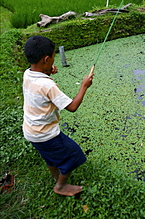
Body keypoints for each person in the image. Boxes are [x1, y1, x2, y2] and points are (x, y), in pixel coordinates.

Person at [22, 35, 94, 196]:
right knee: (74, 155)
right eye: (52, 59)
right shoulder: (48, 85)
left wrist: (47, 71)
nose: (53, 62)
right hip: (46, 133)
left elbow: (40, 82)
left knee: (49, 155)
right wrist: (84, 86)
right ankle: (60, 186)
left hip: (31, 131)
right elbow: (72, 107)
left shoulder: (28, 73)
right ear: (46, 59)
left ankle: (56, 176)